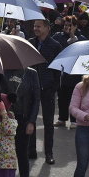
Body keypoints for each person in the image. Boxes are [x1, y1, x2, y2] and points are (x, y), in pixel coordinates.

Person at [28, 19, 62, 164]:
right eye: (35, 26)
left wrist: (53, 87)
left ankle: (48, 153)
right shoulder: (29, 42)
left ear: (47, 28)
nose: (36, 29)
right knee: (31, 120)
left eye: (39, 26)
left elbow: (58, 69)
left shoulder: (55, 46)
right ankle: (31, 151)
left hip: (48, 88)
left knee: (48, 123)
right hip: (31, 88)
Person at [5, 67, 40, 177]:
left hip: (24, 120)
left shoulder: (32, 73)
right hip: (6, 119)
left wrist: (31, 121)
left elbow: (36, 100)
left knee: (22, 154)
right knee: (4, 155)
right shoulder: (4, 71)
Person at [53, 16, 86, 127]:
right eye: (65, 25)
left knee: (74, 96)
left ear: (75, 26)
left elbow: (83, 52)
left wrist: (73, 37)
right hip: (62, 70)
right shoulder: (58, 36)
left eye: (70, 25)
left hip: (75, 72)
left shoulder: (81, 38)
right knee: (62, 96)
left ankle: (73, 120)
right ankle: (62, 118)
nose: (67, 27)